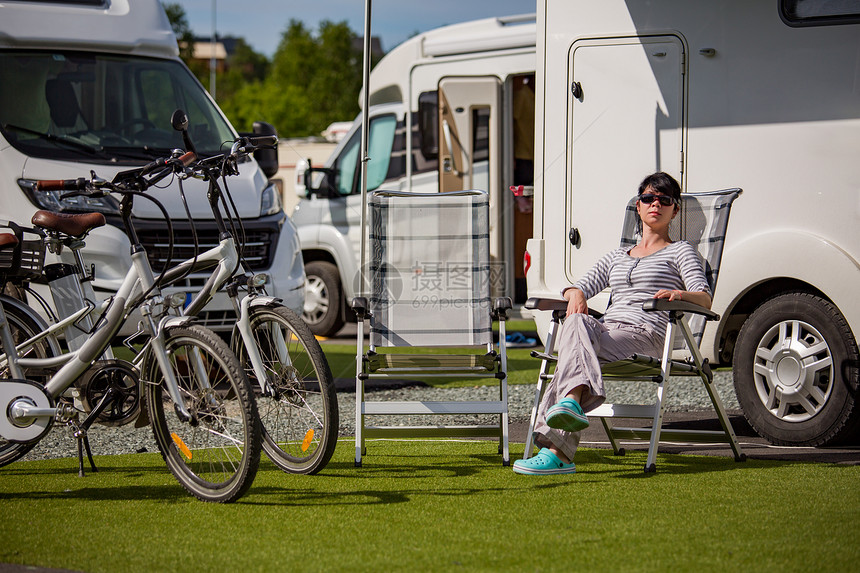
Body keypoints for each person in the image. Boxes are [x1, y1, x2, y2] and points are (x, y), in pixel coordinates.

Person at [513, 172, 712, 475]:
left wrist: (679, 294)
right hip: (606, 330)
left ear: (675, 209)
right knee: (577, 321)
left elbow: (705, 299)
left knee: (571, 350)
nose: (655, 204)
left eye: (664, 199)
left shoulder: (681, 251)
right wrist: (576, 293)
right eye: (648, 198)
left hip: (645, 333)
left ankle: (557, 450)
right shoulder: (617, 256)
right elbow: (581, 285)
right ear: (639, 205)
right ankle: (569, 410)